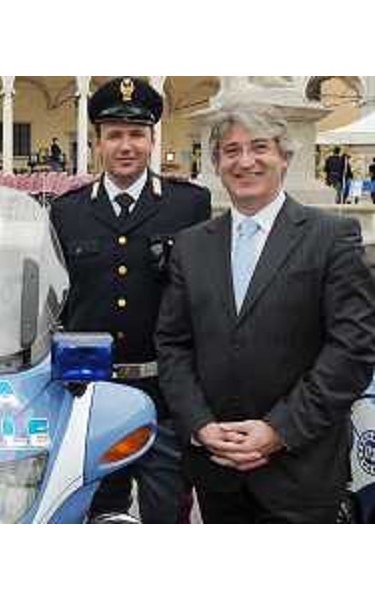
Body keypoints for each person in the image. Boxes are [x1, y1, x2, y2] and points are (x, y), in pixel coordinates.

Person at [155, 102, 375, 523]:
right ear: (217, 163)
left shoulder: (331, 238)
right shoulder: (191, 245)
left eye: (259, 147)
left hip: (301, 473)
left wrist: (279, 430)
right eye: (231, 151)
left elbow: (351, 351)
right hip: (217, 469)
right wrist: (200, 425)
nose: (245, 161)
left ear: (284, 157)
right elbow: (173, 345)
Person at [50, 77, 211, 523]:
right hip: (93, 395)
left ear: (153, 140)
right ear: (97, 143)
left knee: (167, 511)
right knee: (100, 514)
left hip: (165, 395)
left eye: (136, 134)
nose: (126, 146)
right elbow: (55, 301)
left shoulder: (188, 206)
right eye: (114, 135)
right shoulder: (67, 211)